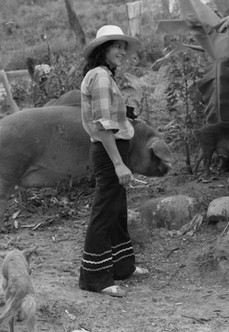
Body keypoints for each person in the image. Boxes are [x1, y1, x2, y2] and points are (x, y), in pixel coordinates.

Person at [79, 25, 148, 298]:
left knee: (117, 209)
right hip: (109, 152)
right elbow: (103, 126)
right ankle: (94, 278)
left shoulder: (104, 75)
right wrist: (118, 163)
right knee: (105, 211)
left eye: (123, 46)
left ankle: (122, 266)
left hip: (114, 149)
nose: (122, 51)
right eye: (116, 46)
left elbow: (110, 119)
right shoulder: (100, 77)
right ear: (102, 49)